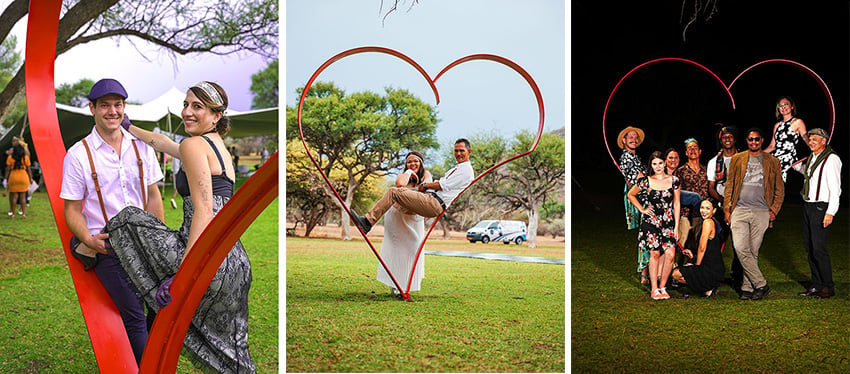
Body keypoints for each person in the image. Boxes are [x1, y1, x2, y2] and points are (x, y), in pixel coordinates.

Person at [108, 81, 255, 373]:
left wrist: (182, 276)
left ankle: (94, 253)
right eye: (186, 105)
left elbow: (203, 212)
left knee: (127, 219)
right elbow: (164, 144)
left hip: (204, 256)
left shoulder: (193, 145)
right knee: (232, 356)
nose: (187, 112)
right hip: (236, 264)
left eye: (197, 107)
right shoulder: (217, 148)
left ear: (216, 115)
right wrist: (130, 127)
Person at [60, 78, 165, 364]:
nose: (112, 111)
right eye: (104, 105)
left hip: (145, 243)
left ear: (124, 107)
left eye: (117, 105)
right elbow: (72, 208)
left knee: (162, 305)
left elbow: (153, 195)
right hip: (108, 247)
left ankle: (150, 362)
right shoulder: (78, 154)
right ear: (92, 109)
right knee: (133, 315)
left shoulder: (142, 147)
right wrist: (88, 239)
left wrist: (159, 237)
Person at [351, 139, 474, 235]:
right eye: (456, 151)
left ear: (469, 151)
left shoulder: (466, 170)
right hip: (427, 201)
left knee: (393, 192)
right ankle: (372, 223)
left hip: (434, 203)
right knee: (397, 193)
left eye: (461, 151)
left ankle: (367, 222)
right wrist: (410, 190)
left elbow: (442, 185)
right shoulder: (459, 168)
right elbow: (403, 184)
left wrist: (425, 185)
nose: (458, 154)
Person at [723, 127, 784, 301]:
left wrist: (773, 210)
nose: (754, 142)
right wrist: (727, 208)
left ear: (762, 140)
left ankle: (747, 288)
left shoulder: (772, 161)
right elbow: (729, 186)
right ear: (747, 141)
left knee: (753, 251)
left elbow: (780, 189)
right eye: (750, 139)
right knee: (741, 248)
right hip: (739, 210)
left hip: (761, 211)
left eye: (757, 139)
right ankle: (761, 284)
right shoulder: (737, 159)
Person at [791, 128, 840, 299]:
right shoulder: (813, 158)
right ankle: (816, 284)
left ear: (824, 141)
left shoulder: (831, 159)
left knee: (819, 248)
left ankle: (827, 286)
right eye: (809, 139)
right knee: (809, 247)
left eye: (814, 139)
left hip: (822, 206)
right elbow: (807, 172)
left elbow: (835, 189)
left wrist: (830, 212)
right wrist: (792, 163)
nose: (810, 142)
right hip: (809, 205)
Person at [376, 151, 432, 295]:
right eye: (409, 162)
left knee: (413, 248)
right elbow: (400, 184)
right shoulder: (403, 176)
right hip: (396, 215)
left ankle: (407, 285)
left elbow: (425, 189)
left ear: (421, 163)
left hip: (414, 218)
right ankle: (395, 286)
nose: (412, 164)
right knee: (395, 250)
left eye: (415, 161)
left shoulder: (426, 175)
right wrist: (408, 172)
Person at [627, 151, 680, 300]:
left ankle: (663, 286)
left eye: (660, 163)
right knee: (655, 253)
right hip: (651, 221)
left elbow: (676, 203)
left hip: (668, 221)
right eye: (654, 164)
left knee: (670, 255)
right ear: (651, 165)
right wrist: (642, 209)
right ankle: (654, 289)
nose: (658, 166)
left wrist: (676, 226)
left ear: (665, 163)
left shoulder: (674, 180)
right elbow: (631, 194)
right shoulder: (646, 181)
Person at [706, 124, 743, 289]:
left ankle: (738, 276)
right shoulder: (714, 162)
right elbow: (711, 187)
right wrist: (723, 201)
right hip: (721, 207)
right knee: (716, 242)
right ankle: (714, 274)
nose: (727, 139)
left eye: (730, 136)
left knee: (739, 244)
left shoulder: (743, 158)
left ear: (734, 139)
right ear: (720, 140)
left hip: (741, 206)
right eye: (724, 137)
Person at [671, 199, 725, 298]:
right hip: (712, 266)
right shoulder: (710, 222)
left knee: (676, 274)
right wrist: (692, 255)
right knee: (680, 272)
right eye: (702, 207)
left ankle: (707, 286)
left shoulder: (708, 222)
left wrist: (697, 265)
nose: (703, 211)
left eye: (708, 208)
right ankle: (707, 287)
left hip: (711, 269)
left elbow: (702, 247)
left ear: (714, 211)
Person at [673, 139, 709, 247]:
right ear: (686, 153)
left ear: (700, 151)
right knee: (682, 242)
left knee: (700, 242)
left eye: (695, 147)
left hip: (702, 213)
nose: (693, 150)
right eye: (690, 148)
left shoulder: (706, 170)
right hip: (685, 213)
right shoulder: (680, 171)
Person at [764, 96, 808, 181]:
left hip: (788, 159)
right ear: (778, 109)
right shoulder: (777, 125)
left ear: (792, 107)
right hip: (776, 158)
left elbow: (805, 137)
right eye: (780, 106)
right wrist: (756, 154)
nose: (783, 107)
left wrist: (817, 148)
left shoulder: (797, 122)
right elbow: (772, 146)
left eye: (786, 104)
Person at [5, 143, 32, 217]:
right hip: (23, 177)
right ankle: (23, 213)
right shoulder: (25, 158)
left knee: (14, 196)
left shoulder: (10, 158)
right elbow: (28, 169)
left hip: (13, 177)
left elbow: (7, 169)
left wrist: (5, 178)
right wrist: (31, 178)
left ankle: (13, 213)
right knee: (23, 197)